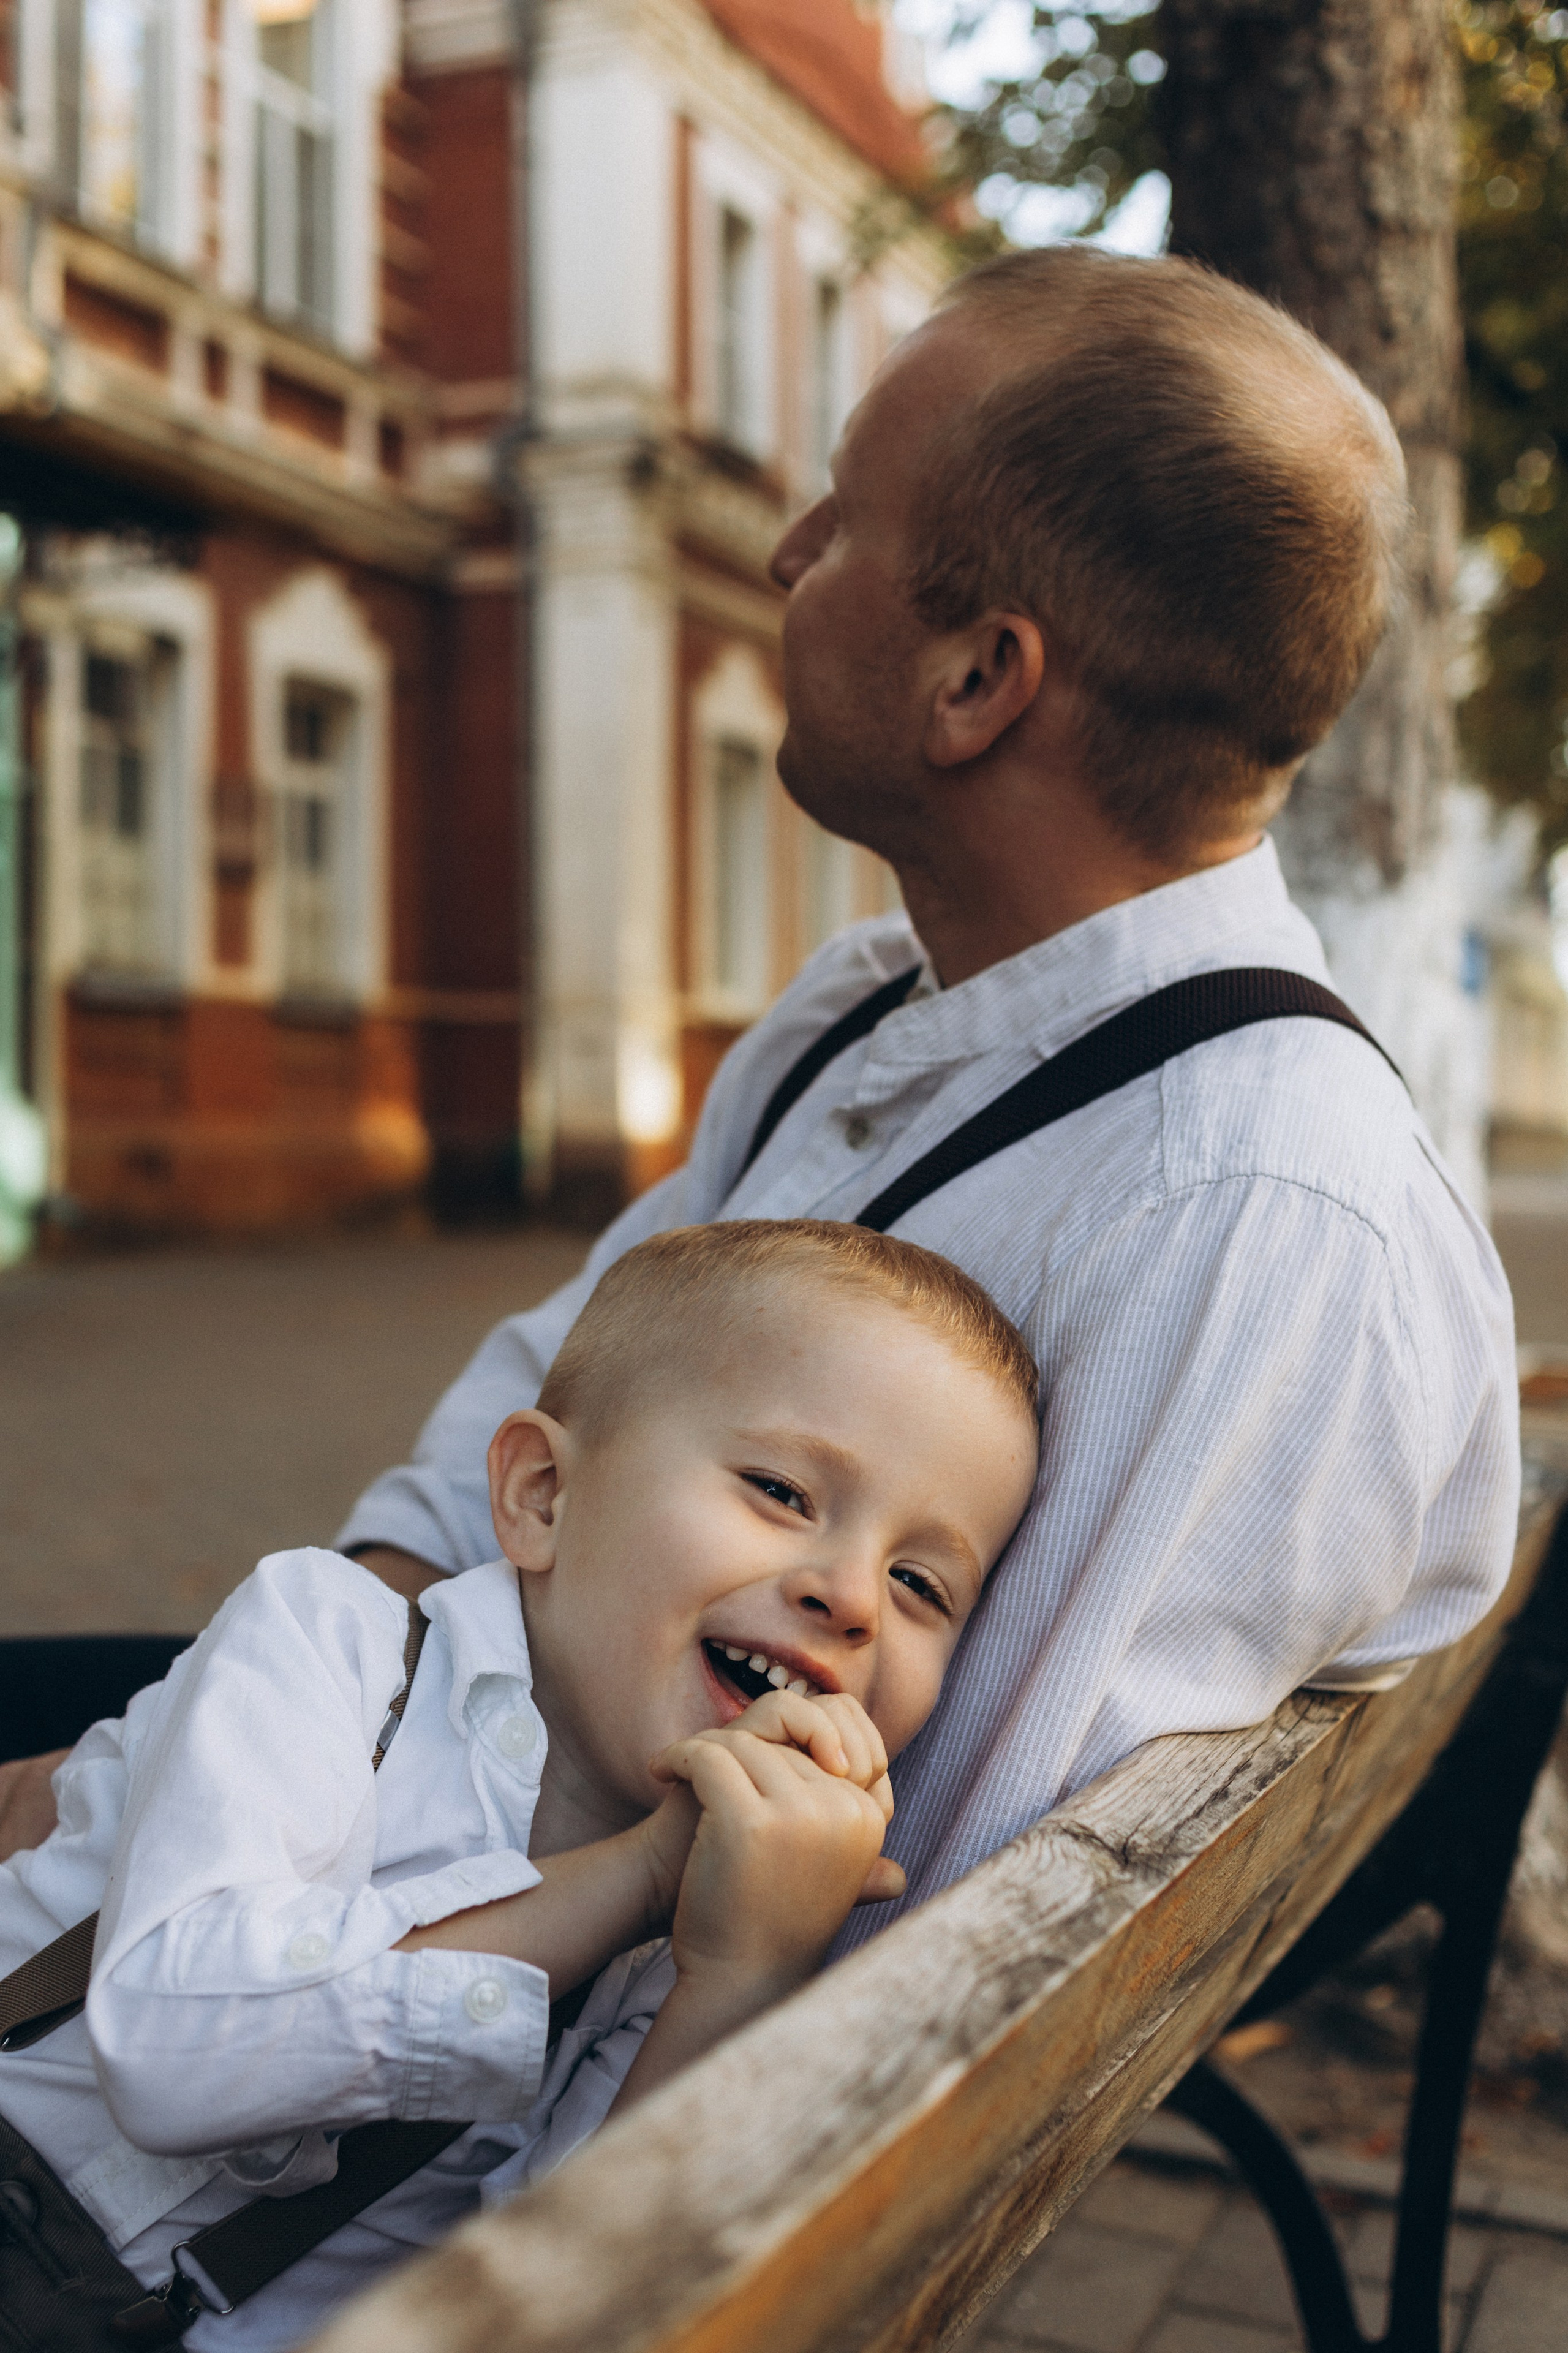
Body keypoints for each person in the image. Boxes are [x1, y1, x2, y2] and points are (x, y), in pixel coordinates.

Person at [0, 244, 1519, 1917]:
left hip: (498, 1996)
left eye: (842, 517)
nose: (789, 553)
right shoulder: (868, 1007)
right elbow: (562, 1379)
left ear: (976, 682)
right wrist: (297, 1699)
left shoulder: (1251, 1217)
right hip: (445, 1770)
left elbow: (914, 1913)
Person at [0, 1222, 1039, 2350]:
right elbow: (171, 2046)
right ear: (543, 1494)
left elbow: (587, 2300)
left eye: (920, 1582)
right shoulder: (327, 1640)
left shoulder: (703, 1936)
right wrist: (634, 1875)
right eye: (783, 1489)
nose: (853, 1597)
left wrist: (741, 1977)